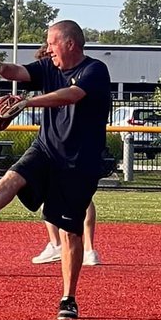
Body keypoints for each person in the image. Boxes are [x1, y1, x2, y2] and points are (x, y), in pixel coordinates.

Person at [0, 20, 112, 320]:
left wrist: (27, 102)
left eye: (52, 42)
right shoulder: (48, 67)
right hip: (46, 148)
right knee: (14, 175)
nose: (47, 48)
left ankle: (68, 298)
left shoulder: (94, 70)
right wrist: (0, 67)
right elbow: (21, 72)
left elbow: (70, 95)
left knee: (70, 233)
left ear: (69, 44)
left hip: (78, 163)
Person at [27, 44, 101, 267]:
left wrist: (26, 101)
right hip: (81, 151)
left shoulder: (84, 74)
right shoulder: (77, 74)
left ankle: (59, 245)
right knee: (83, 201)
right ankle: (86, 249)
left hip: (70, 151)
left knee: (58, 200)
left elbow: (70, 99)